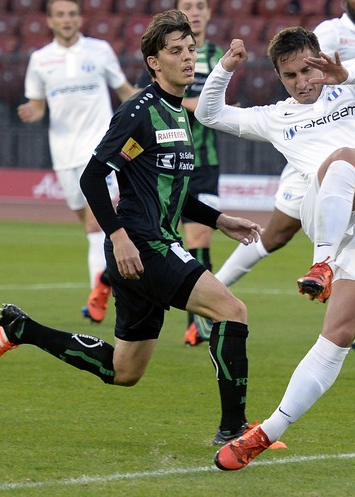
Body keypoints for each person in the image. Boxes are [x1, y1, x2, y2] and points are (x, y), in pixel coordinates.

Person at [0, 10, 263, 446]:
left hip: (143, 248)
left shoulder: (176, 112)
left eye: (190, 49)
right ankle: (234, 430)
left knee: (125, 371)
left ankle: (23, 330)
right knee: (232, 310)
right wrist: (118, 237)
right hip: (144, 245)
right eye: (176, 51)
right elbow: (93, 177)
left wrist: (219, 219)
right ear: (154, 62)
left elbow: (171, 190)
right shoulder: (139, 112)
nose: (188, 58)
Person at [195, 27, 355, 469]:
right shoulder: (276, 117)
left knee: (340, 334)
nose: (302, 82)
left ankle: (265, 433)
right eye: (290, 76)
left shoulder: (354, 90)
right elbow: (210, 114)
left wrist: (344, 73)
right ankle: (322, 264)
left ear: (320, 60)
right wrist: (224, 69)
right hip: (322, 207)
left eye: (308, 70)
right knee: (345, 158)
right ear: (278, 76)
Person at [211, 0, 355, 360]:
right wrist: (339, 78)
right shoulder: (330, 32)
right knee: (277, 234)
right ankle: (213, 290)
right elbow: (302, 68)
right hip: (311, 151)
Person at [17, 0, 138, 325]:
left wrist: (151, 105)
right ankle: (108, 282)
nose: (67, 19)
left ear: (80, 18)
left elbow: (124, 90)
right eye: (60, 15)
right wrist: (31, 113)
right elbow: (38, 105)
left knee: (97, 223)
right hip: (63, 153)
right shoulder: (40, 59)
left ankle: (98, 295)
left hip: (99, 148)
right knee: (90, 226)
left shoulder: (99, 51)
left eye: (72, 14)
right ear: (50, 21)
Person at [135, 0, 225, 347]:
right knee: (166, 236)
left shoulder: (216, 56)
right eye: (189, 5)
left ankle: (197, 322)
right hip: (166, 161)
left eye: (201, 5)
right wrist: (191, 104)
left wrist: (193, 104)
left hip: (205, 162)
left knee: (200, 237)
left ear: (210, 13)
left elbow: (215, 105)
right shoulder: (162, 52)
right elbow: (145, 94)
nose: (196, 11)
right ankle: (115, 281)